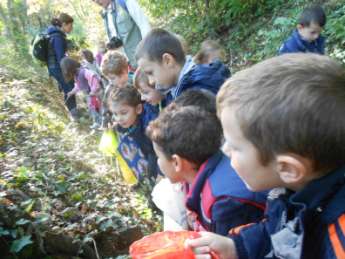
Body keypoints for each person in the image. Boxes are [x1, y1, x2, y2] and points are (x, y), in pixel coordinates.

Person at [186, 53, 345, 259]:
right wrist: (236, 247)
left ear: (288, 168)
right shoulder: (288, 192)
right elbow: (277, 232)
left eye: (235, 146)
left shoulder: (338, 245)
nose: (225, 151)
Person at [146, 105, 267, 236]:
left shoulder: (224, 203)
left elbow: (233, 249)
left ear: (176, 162)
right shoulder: (198, 172)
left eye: (158, 156)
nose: (158, 163)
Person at [136, 29, 230, 105]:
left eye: (150, 73)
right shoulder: (175, 87)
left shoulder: (198, 93)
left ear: (168, 60)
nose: (151, 81)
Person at [106, 86, 159, 190]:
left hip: (154, 151)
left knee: (153, 173)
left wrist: (153, 174)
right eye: (115, 114)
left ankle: (153, 188)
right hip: (143, 148)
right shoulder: (129, 120)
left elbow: (154, 151)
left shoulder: (150, 122)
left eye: (123, 113)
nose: (119, 119)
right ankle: (143, 180)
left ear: (138, 109)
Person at [92, 0, 151, 68]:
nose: (96, 1)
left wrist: (148, 53)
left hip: (144, 58)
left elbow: (144, 25)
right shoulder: (105, 15)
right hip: (128, 66)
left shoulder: (125, 2)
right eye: (93, 0)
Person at [46, 13, 77, 119]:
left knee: (67, 87)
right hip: (58, 66)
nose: (71, 28)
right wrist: (67, 71)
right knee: (69, 87)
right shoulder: (58, 37)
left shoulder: (53, 34)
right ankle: (75, 115)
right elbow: (60, 57)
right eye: (70, 26)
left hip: (53, 67)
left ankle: (72, 113)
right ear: (63, 24)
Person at [60, 57, 102, 128]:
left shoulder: (83, 71)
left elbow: (94, 78)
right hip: (89, 94)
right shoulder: (76, 76)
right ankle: (98, 122)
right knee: (92, 108)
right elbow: (78, 86)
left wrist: (93, 90)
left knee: (98, 107)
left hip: (95, 93)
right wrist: (72, 92)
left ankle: (101, 121)